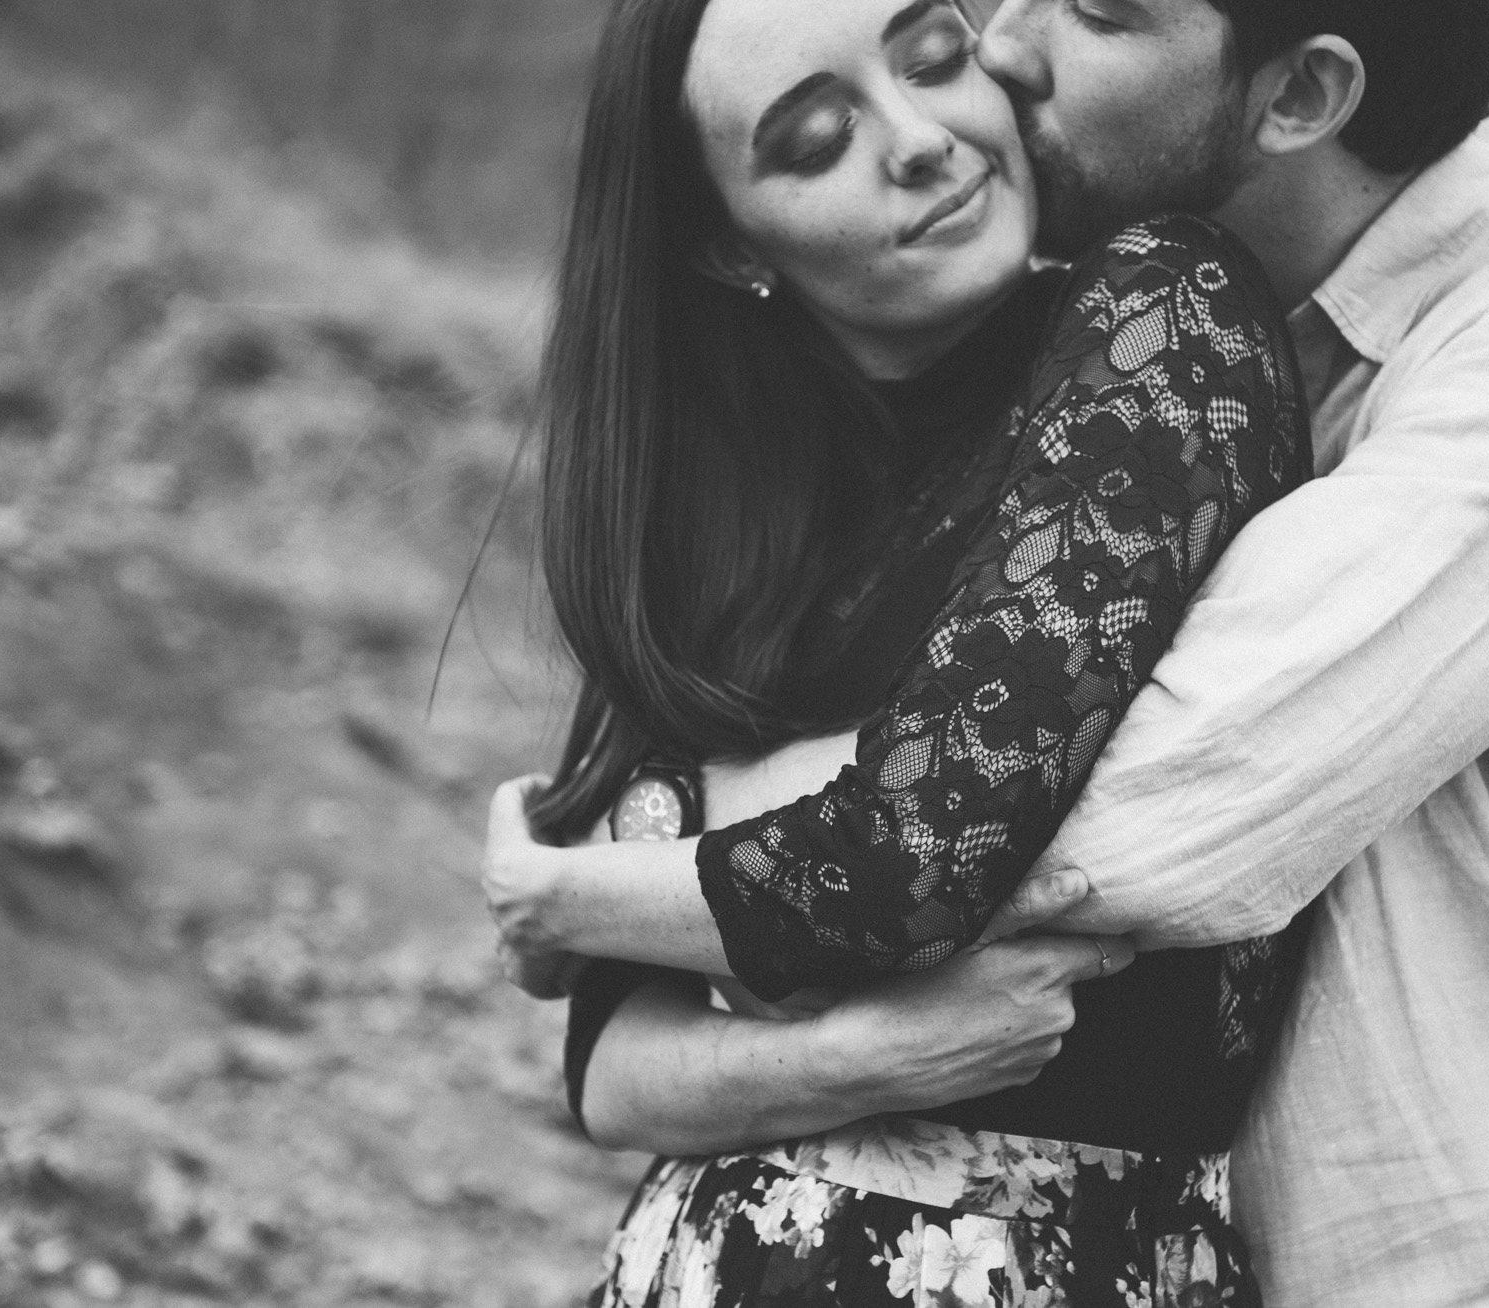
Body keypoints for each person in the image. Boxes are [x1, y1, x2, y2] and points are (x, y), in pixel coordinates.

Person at [492, 0, 1489, 1303]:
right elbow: (615, 1066)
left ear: (1298, 99)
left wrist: (602, 867)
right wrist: (854, 1049)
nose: (1005, 46)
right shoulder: (1026, 400)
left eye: (1093, 10)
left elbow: (1066, 824)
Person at [485, 0, 1313, 1301]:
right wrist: (871, 1057)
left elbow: (924, 845)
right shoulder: (742, 531)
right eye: (816, 140)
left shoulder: (1162, 318)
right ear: (727, 243)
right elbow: (607, 1067)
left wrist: (570, 888)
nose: (922, 140)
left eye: (933, 56)